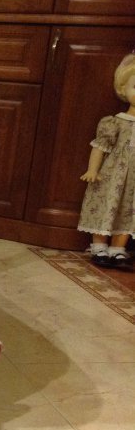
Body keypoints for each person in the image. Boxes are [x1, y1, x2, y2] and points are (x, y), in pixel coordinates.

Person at [78, 53, 135, 270]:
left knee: (129, 211)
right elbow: (100, 147)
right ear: (123, 89)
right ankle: (99, 245)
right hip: (113, 175)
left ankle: (118, 248)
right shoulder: (115, 122)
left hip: (133, 181)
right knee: (105, 204)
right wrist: (93, 169)